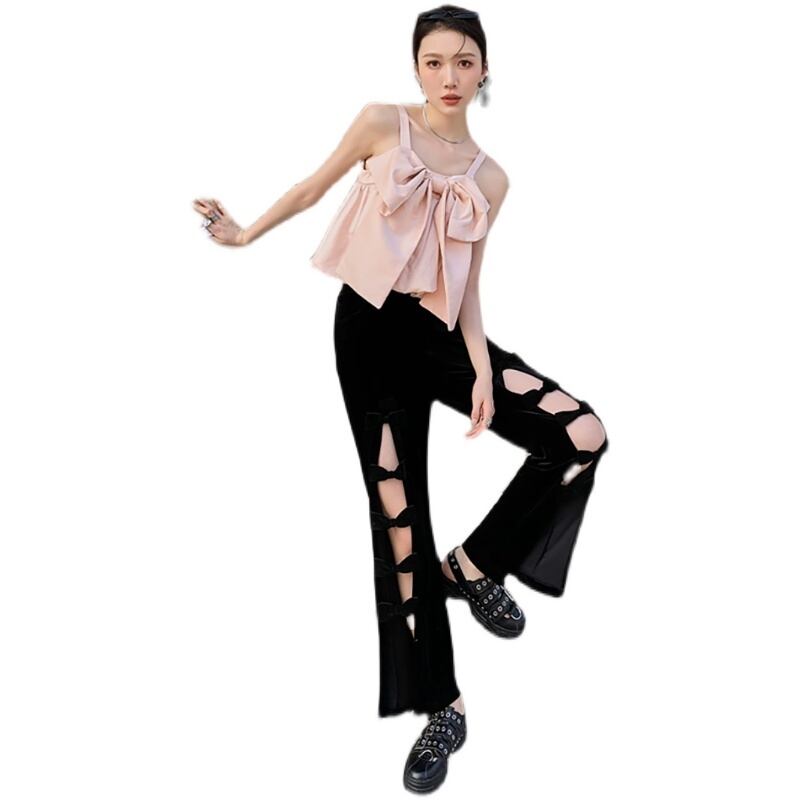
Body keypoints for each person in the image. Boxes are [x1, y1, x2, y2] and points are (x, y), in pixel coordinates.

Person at [192, 5, 609, 793]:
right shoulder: (382, 123)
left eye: (464, 61)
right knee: (399, 520)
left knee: (580, 433)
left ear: (485, 70)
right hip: (369, 334)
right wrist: (244, 235)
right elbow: (312, 188)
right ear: (416, 68)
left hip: (444, 337)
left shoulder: (492, 178)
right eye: (434, 61)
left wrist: (482, 370)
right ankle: (442, 706)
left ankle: (476, 565)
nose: (449, 76)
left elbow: (468, 281)